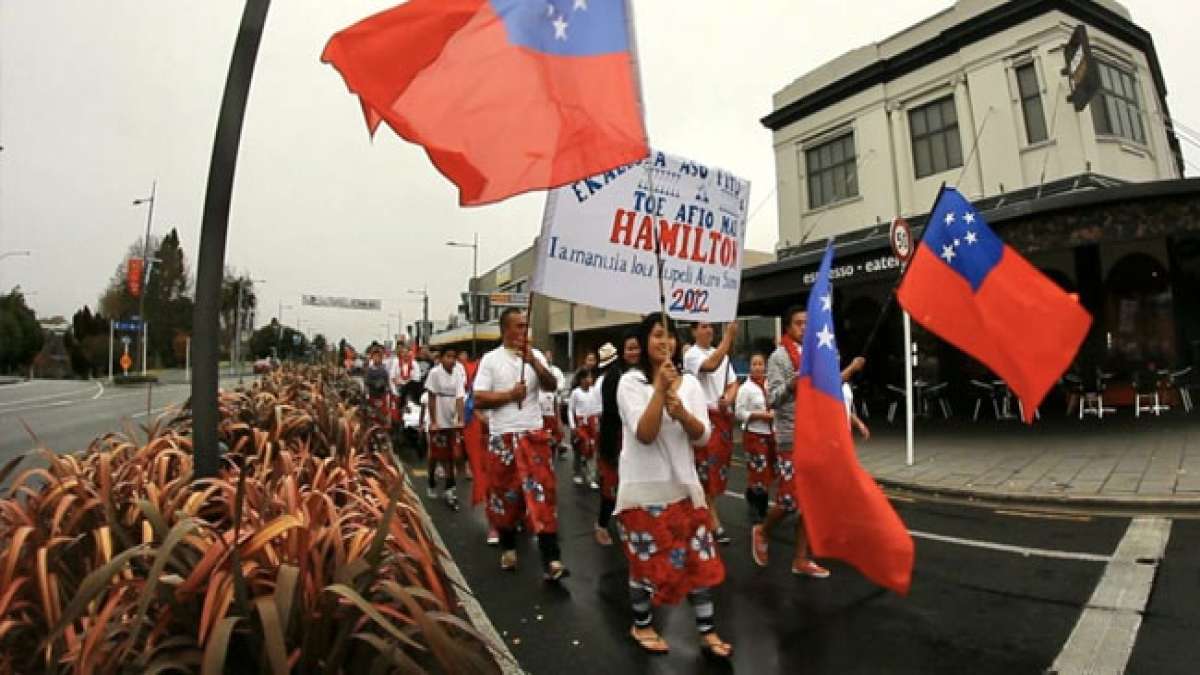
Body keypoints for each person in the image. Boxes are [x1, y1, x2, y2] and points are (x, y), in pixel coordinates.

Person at [616, 313, 731, 658]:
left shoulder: (692, 385)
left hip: (686, 491)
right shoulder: (630, 384)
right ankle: (641, 624)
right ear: (644, 341)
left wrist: (681, 412)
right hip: (643, 493)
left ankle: (708, 632)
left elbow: (703, 437)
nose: (663, 342)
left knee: (700, 564)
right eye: (655, 335)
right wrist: (661, 390)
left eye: (669, 336)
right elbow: (645, 434)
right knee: (647, 567)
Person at [474, 308, 568, 581]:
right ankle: (508, 547)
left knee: (544, 493)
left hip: (533, 435)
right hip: (503, 436)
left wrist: (535, 364)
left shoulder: (535, 356)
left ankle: (552, 559)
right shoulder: (491, 360)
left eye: (525, 326)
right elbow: (478, 399)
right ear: (505, 330)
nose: (523, 332)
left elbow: (551, 386)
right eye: (517, 327)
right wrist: (509, 395)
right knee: (506, 496)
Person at [753, 306, 829, 577]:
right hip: (789, 437)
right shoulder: (779, 357)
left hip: (814, 435)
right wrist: (791, 386)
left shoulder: (815, 355)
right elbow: (772, 398)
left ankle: (801, 559)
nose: (805, 328)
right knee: (789, 501)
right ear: (788, 327)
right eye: (799, 324)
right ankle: (762, 530)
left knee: (810, 501)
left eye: (808, 323)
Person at [682, 321, 740, 545]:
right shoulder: (692, 355)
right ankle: (712, 521)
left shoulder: (723, 355)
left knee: (718, 471)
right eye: (703, 327)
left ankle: (702, 511)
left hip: (722, 418)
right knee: (705, 470)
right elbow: (710, 365)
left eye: (710, 327)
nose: (709, 331)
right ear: (694, 331)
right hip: (703, 418)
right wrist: (729, 338)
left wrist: (729, 397)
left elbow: (733, 382)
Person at [595, 332, 640, 546]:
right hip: (615, 438)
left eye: (636, 348)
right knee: (611, 488)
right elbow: (610, 412)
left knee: (633, 485)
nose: (633, 352)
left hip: (638, 437)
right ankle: (602, 525)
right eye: (629, 348)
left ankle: (629, 525)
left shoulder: (645, 373)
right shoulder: (613, 376)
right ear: (622, 352)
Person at [735, 352, 775, 524]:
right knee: (758, 471)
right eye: (755, 364)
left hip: (770, 434)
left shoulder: (769, 385)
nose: (758, 367)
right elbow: (739, 413)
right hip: (754, 434)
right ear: (750, 367)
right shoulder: (745, 389)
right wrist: (759, 415)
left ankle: (757, 500)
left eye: (761, 364)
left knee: (769, 471)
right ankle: (758, 507)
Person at [425, 347, 466, 511]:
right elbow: (431, 397)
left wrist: (461, 419)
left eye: (453, 357)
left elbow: (460, 397)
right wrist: (434, 421)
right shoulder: (435, 373)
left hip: (451, 420)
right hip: (438, 419)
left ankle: (450, 489)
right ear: (441, 358)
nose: (451, 360)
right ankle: (431, 480)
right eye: (448, 356)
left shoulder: (457, 373)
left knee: (451, 455)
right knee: (436, 455)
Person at [569, 368, 601, 488]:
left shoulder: (594, 391)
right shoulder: (576, 393)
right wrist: (572, 426)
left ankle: (591, 477)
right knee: (581, 447)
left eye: (591, 377)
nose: (590, 379)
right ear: (582, 379)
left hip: (592, 423)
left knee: (592, 448)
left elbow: (598, 407)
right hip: (580, 423)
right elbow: (570, 410)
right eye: (587, 377)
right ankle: (577, 472)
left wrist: (597, 421)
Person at [539, 349, 566, 462]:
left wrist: (559, 422)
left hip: (553, 406)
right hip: (541, 418)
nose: (548, 358)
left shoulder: (557, 371)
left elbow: (560, 386)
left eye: (550, 356)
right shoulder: (539, 371)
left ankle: (557, 448)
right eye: (546, 356)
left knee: (554, 440)